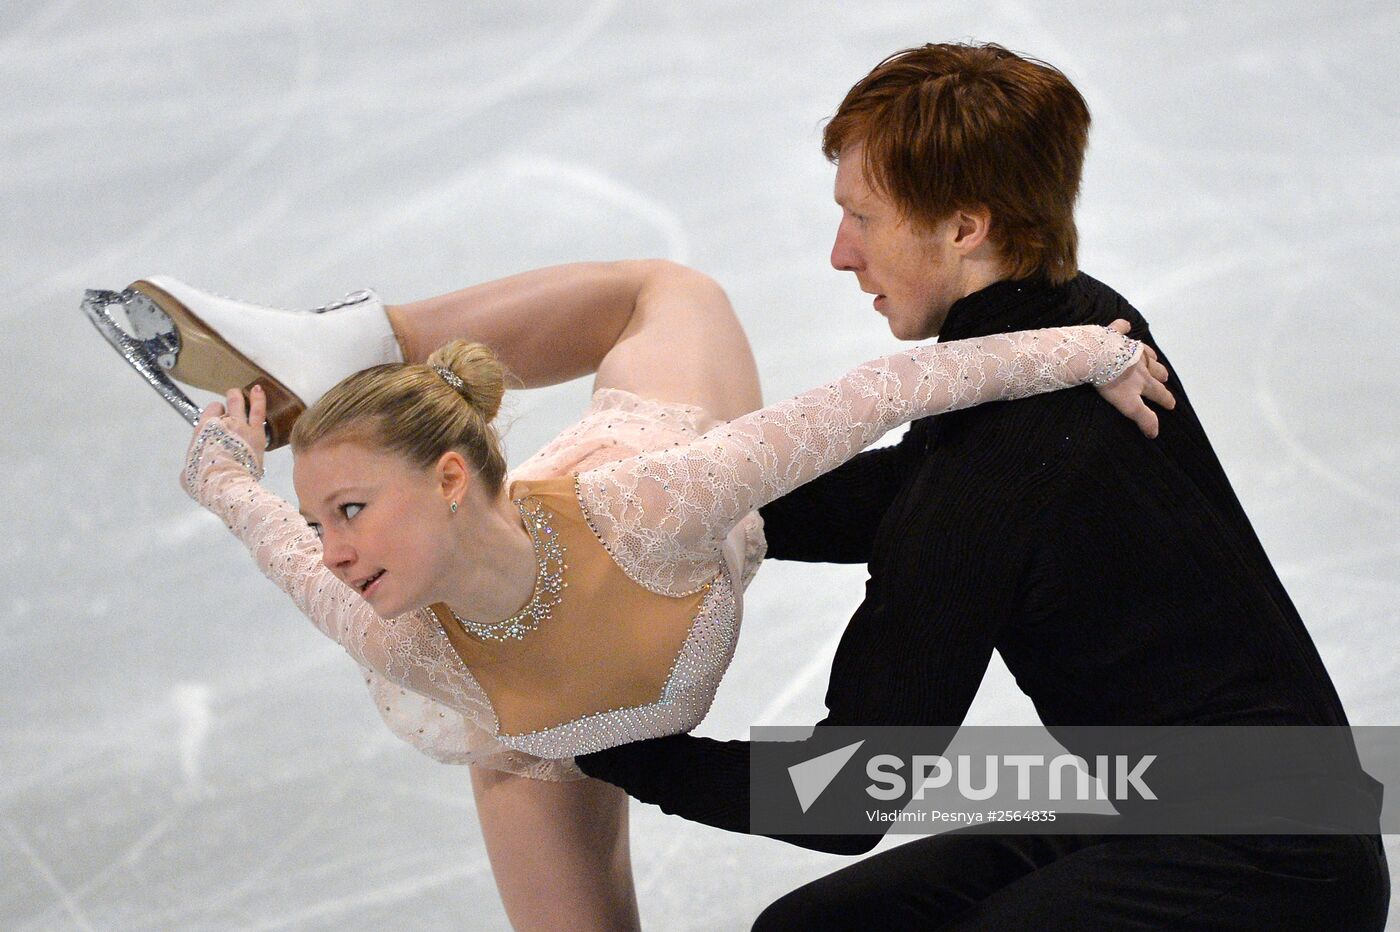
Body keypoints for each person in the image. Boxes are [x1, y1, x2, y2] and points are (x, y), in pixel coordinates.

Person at [569, 43, 1390, 929]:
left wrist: (607, 743)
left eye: (864, 218)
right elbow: (911, 492)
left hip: (1275, 874)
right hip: (1176, 814)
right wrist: (673, 508)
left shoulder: (1000, 462)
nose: (840, 253)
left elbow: (844, 799)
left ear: (966, 228)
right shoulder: (1084, 323)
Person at [123, 258, 1165, 930]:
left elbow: (877, 392)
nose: (333, 553)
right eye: (323, 521)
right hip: (537, 733)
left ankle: (360, 340)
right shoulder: (396, 639)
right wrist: (221, 467)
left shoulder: (659, 502)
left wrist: (1095, 351)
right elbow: (266, 531)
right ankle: (348, 384)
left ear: (447, 478)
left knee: (666, 294)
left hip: (639, 479)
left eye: (350, 509)